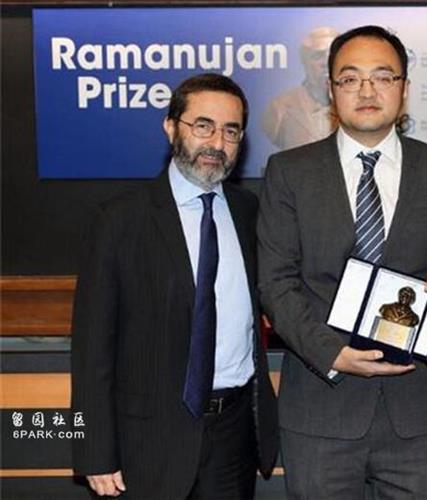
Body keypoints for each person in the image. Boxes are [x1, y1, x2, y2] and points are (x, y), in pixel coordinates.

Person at [258, 25, 427, 499]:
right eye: (350, 78)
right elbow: (276, 283)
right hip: (321, 405)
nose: (366, 90)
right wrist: (331, 354)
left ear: (404, 88)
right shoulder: (289, 172)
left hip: (418, 408)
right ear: (330, 89)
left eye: (382, 77)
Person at [70, 73, 278, 499]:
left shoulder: (250, 212)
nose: (216, 143)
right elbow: (92, 348)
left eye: (231, 131)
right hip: (148, 440)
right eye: (203, 126)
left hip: (233, 435)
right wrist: (96, 451)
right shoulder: (119, 221)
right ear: (170, 127)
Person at [261, 26, 340, 150]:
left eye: (332, 55)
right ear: (305, 61)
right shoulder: (280, 107)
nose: (326, 63)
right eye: (318, 56)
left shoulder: (358, 105)